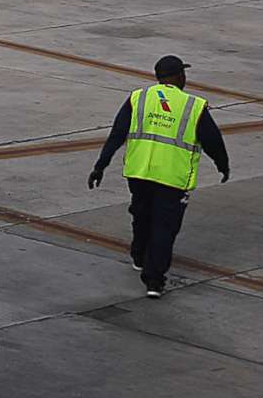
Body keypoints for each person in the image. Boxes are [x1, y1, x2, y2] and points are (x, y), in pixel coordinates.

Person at [89, 55, 227, 299]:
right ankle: (154, 281)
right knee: (164, 228)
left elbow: (117, 134)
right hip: (172, 177)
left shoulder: (138, 98)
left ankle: (139, 256)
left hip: (139, 173)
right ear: (180, 76)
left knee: (141, 216)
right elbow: (213, 140)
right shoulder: (192, 105)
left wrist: (101, 165)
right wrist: (222, 164)